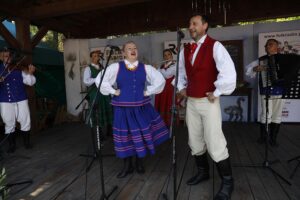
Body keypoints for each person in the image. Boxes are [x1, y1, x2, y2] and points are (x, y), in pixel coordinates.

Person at [177, 14, 236, 200]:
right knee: (194, 140)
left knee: (214, 141)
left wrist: (217, 92)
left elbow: (228, 73)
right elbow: (179, 72)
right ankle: (203, 172)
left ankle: (228, 182)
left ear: (205, 26)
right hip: (191, 103)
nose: (190, 26)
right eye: (189, 24)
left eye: (194, 23)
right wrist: (181, 88)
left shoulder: (215, 46)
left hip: (208, 102)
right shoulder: (185, 49)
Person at [96, 41, 169, 178]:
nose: (133, 50)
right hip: (123, 109)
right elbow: (100, 79)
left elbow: (160, 81)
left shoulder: (145, 68)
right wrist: (113, 91)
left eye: (135, 48)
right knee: (124, 138)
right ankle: (127, 165)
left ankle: (139, 163)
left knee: (139, 136)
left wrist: (147, 92)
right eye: (129, 48)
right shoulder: (116, 67)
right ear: (123, 53)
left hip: (141, 108)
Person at [246, 39, 283, 147]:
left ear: (277, 46)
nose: (267, 47)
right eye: (266, 45)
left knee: (278, 115)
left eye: (270, 45)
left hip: (280, 90)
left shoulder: (283, 59)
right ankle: (263, 137)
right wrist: (255, 68)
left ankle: (273, 139)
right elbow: (248, 69)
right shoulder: (262, 60)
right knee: (266, 114)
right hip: (266, 90)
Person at [0, 48, 36, 153]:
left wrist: (30, 73)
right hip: (5, 100)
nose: (7, 58)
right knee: (8, 122)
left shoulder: (20, 68)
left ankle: (27, 143)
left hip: (21, 98)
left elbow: (31, 82)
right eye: (5, 56)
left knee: (25, 120)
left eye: (8, 56)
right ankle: (12, 145)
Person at [83, 50, 113, 137]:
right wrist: (97, 79)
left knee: (108, 108)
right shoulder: (88, 68)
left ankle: (109, 131)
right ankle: (99, 133)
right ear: (91, 57)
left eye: (97, 56)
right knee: (97, 112)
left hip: (104, 92)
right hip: (95, 93)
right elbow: (86, 81)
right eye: (94, 56)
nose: (96, 57)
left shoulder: (102, 67)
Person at [154, 49, 177, 126]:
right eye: (165, 55)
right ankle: (161, 124)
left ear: (172, 56)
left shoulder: (174, 65)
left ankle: (170, 124)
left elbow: (167, 75)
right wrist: (155, 68)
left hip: (169, 89)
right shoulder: (162, 66)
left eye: (169, 55)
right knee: (161, 105)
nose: (167, 57)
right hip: (161, 89)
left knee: (169, 105)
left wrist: (158, 69)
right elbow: (156, 75)